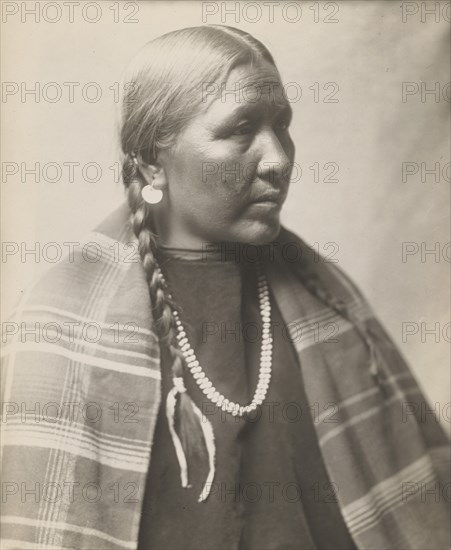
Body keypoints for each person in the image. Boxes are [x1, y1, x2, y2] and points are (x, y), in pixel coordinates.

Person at [1, 25, 449, 550]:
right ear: (150, 159)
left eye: (282, 125)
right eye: (240, 130)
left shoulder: (326, 297)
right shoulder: (62, 321)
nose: (279, 159)